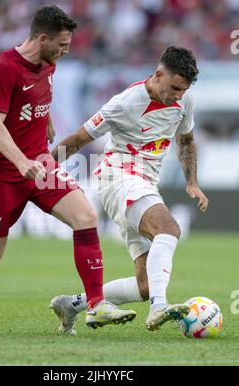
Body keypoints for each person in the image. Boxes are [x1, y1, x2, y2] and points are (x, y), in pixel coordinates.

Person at [0, 5, 136, 338]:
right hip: (4, 172)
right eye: (61, 44)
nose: (65, 50)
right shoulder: (4, 67)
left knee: (85, 216)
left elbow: (38, 95)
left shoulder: (48, 64)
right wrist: (20, 162)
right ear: (42, 38)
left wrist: (47, 121)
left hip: (41, 164)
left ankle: (96, 303)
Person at [49, 46, 209, 334]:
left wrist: (192, 181)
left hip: (145, 185)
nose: (178, 96)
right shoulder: (124, 103)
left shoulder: (184, 103)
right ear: (158, 74)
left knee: (145, 284)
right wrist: (41, 171)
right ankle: (160, 307)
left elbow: (185, 141)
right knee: (169, 229)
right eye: (174, 88)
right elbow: (77, 140)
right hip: (117, 177)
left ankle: (71, 305)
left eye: (183, 90)